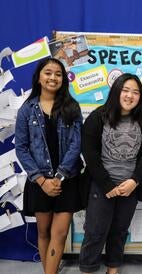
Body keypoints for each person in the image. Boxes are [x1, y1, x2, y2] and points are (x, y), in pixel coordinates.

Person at [79, 73, 142, 274]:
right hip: (101, 186)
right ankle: (88, 269)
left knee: (119, 232)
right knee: (95, 232)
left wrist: (135, 181)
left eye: (136, 92)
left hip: (129, 186)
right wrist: (107, 185)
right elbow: (90, 153)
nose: (130, 96)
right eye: (126, 90)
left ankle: (113, 269)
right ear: (116, 91)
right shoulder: (98, 117)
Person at [15, 57, 83, 274]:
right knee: (43, 232)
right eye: (48, 73)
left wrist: (59, 176)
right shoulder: (27, 109)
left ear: (63, 79)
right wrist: (42, 180)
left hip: (67, 180)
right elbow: (22, 148)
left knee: (60, 233)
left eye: (58, 74)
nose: (53, 77)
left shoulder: (72, 107)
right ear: (39, 77)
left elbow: (76, 144)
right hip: (39, 181)